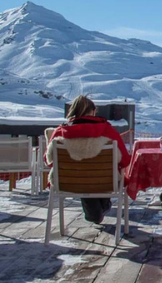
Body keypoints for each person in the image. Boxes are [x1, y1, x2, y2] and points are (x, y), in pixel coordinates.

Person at [46, 95, 132, 224]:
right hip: (105, 181)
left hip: (69, 181)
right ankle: (100, 207)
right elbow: (125, 160)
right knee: (98, 178)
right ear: (93, 111)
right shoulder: (108, 131)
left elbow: (48, 160)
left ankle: (95, 212)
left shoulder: (60, 132)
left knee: (83, 180)